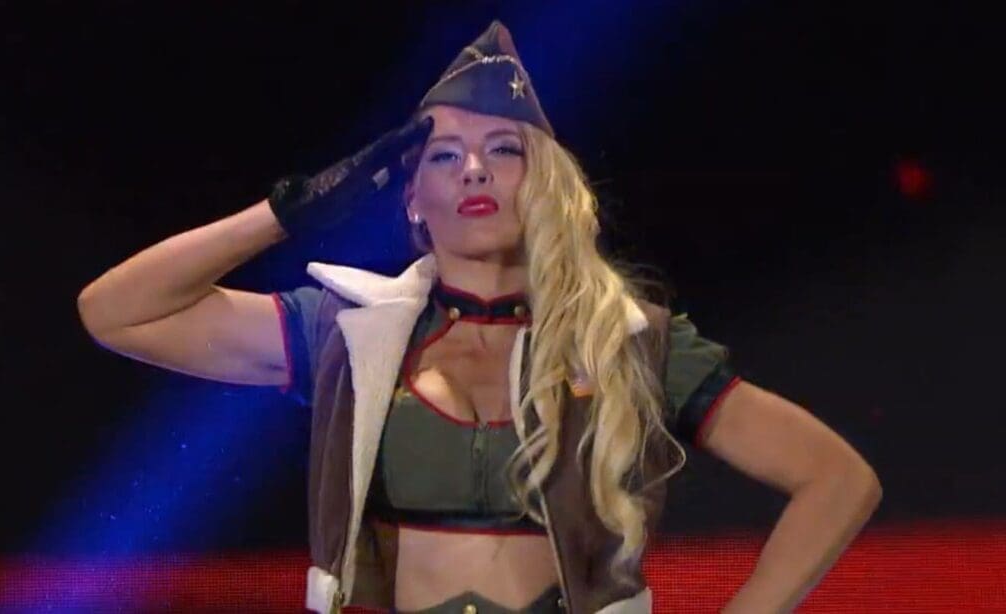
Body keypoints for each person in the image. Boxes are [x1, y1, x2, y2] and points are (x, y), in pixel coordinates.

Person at [78, 20, 882, 614]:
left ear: (546, 186)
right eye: (443, 155)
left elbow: (837, 480)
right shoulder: (350, 332)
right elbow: (117, 312)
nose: (473, 169)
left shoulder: (627, 341)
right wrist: (288, 212)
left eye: (504, 149)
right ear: (413, 199)